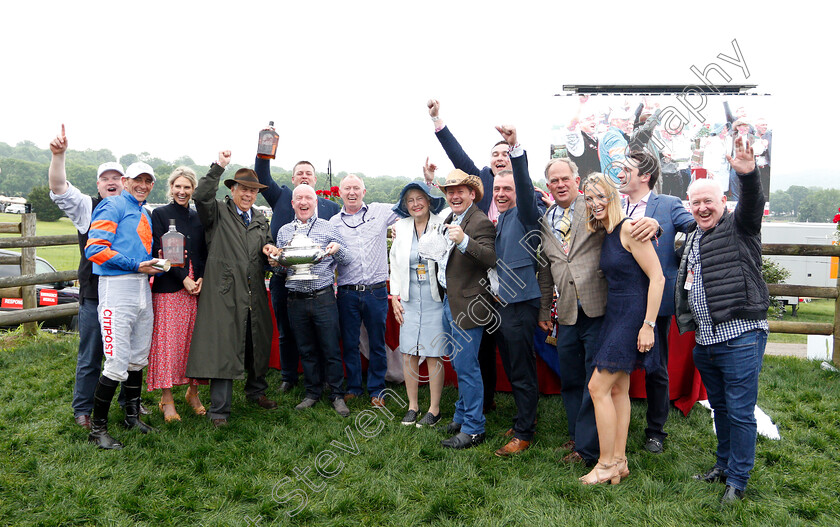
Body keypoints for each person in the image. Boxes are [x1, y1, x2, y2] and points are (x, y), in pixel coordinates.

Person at [427, 99, 549, 414]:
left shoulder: (524, 202)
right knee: (480, 352)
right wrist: (438, 121)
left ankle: (522, 421)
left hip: (515, 292)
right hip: (481, 291)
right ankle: (486, 404)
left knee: (516, 360)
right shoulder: (485, 195)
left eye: (504, 154)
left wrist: (516, 147)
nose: (499, 158)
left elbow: (524, 196)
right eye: (494, 155)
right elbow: (458, 159)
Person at [676, 138, 769, 504]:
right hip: (707, 341)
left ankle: (739, 481)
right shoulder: (693, 238)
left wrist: (747, 174)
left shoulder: (739, 226)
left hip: (741, 336)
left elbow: (753, 205)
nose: (702, 207)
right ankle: (724, 467)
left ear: (723, 203)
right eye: (695, 202)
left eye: (708, 201)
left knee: (741, 412)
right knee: (722, 409)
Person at [577, 173, 665, 485]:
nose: (594, 203)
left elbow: (658, 278)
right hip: (615, 315)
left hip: (632, 318)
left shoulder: (629, 227)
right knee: (617, 389)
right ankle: (619, 462)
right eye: (589, 199)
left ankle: (604, 464)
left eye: (600, 196)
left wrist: (648, 325)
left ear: (614, 196)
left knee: (597, 387)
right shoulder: (609, 231)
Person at [47, 124, 133, 430]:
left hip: (126, 295)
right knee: (91, 354)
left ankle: (128, 406)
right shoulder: (88, 208)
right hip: (95, 295)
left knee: (128, 354)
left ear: (124, 183)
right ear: (98, 185)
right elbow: (59, 188)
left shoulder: (135, 211)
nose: (111, 182)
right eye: (105, 178)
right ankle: (83, 410)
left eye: (116, 178)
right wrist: (59, 155)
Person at [185, 151, 278, 428]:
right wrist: (218, 167)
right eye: (243, 189)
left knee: (256, 341)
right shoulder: (218, 212)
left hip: (254, 291)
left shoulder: (261, 218)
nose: (248, 195)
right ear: (233, 189)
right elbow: (200, 196)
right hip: (224, 292)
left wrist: (270, 252)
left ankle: (256, 392)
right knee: (224, 347)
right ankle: (219, 411)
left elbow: (267, 247)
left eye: (253, 190)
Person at [617, 151, 696, 454]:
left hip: (656, 301)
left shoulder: (669, 205)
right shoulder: (615, 204)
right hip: (619, 302)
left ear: (645, 176)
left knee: (655, 369)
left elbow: (697, 231)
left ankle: (656, 431)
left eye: (627, 169)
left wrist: (676, 261)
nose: (620, 173)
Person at [84, 162, 161, 449]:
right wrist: (135, 265)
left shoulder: (144, 212)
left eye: (148, 181)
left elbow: (140, 252)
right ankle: (98, 430)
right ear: (126, 180)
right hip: (117, 288)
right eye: (138, 180)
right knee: (116, 362)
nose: (143, 185)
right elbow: (94, 249)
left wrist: (156, 262)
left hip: (142, 287)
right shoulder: (113, 205)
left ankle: (131, 416)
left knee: (138, 357)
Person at [255, 144, 340, 393]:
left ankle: (324, 380)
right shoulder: (281, 196)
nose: (304, 176)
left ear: (315, 180)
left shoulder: (330, 207)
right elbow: (262, 176)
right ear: (292, 180)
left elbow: (339, 243)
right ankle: (288, 376)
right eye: (299, 173)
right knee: (286, 331)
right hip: (285, 280)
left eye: (308, 173)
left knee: (321, 336)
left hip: (318, 283)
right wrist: (263, 149)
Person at [273, 185, 352, 417]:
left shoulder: (329, 227)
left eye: (308, 197)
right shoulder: (284, 232)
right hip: (295, 299)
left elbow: (347, 258)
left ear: (316, 202)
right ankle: (312, 392)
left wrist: (336, 249)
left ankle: (337, 395)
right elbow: (280, 270)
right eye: (299, 198)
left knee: (330, 349)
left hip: (323, 297)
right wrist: (276, 262)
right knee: (306, 349)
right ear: (293, 203)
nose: (304, 202)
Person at [490, 126, 543, 457]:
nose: (500, 193)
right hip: (503, 303)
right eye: (497, 189)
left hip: (521, 303)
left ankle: (524, 432)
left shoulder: (525, 213)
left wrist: (516, 150)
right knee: (513, 365)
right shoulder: (504, 218)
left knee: (522, 369)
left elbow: (524, 188)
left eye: (507, 189)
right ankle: (524, 418)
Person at [436, 169, 497, 449]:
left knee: (467, 367)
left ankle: (474, 428)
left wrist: (463, 240)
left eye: (460, 190)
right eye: (450, 191)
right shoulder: (452, 217)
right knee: (460, 365)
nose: (454, 195)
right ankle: (462, 416)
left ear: (473, 194)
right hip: (451, 300)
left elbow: (490, 257)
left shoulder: (480, 221)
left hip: (470, 304)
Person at [330, 174, 400, 406]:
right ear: (340, 193)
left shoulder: (379, 212)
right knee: (350, 342)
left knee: (376, 342)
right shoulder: (333, 223)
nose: (352, 192)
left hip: (376, 291)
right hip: (348, 291)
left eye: (356, 188)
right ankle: (353, 387)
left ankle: (377, 389)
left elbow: (410, 207)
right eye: (347, 188)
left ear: (364, 192)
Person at [147, 167, 208, 422]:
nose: (182, 191)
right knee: (168, 344)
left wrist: (201, 277)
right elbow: (161, 252)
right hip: (171, 286)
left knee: (194, 343)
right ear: (171, 188)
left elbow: (203, 251)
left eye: (187, 187)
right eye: (178, 187)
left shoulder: (198, 217)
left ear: (193, 190)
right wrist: (183, 279)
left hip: (197, 287)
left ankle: (193, 393)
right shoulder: (160, 214)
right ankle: (167, 399)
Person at [388, 171, 448, 427]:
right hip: (409, 298)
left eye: (420, 198)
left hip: (434, 297)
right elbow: (394, 263)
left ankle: (434, 409)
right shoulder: (399, 228)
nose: (415, 203)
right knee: (408, 353)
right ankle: (412, 406)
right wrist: (394, 296)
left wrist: (432, 178)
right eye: (410, 200)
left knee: (434, 353)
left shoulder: (441, 222)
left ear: (429, 200)